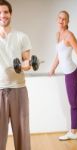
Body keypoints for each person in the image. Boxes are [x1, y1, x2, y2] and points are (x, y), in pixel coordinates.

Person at [49, 10, 77, 140]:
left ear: (68, 22)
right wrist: (52, 68)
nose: (61, 21)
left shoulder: (70, 36)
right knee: (73, 104)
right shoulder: (58, 35)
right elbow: (59, 55)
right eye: (59, 18)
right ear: (57, 20)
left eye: (64, 19)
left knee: (73, 104)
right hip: (66, 73)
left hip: (72, 73)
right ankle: (73, 132)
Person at [0, 0, 32, 149]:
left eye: (5, 12)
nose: (2, 15)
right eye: (0, 12)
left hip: (18, 89)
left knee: (22, 135)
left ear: (10, 14)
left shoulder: (21, 36)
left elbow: (27, 60)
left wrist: (27, 64)